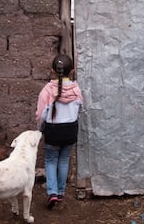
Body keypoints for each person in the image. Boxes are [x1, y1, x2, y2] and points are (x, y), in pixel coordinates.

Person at [35, 54, 83, 209]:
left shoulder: (47, 91)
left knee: (50, 161)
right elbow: (80, 109)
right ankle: (61, 192)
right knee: (64, 160)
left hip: (53, 131)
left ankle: (52, 193)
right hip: (70, 130)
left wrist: (40, 129)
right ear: (72, 71)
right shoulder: (76, 89)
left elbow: (41, 114)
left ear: (52, 71)